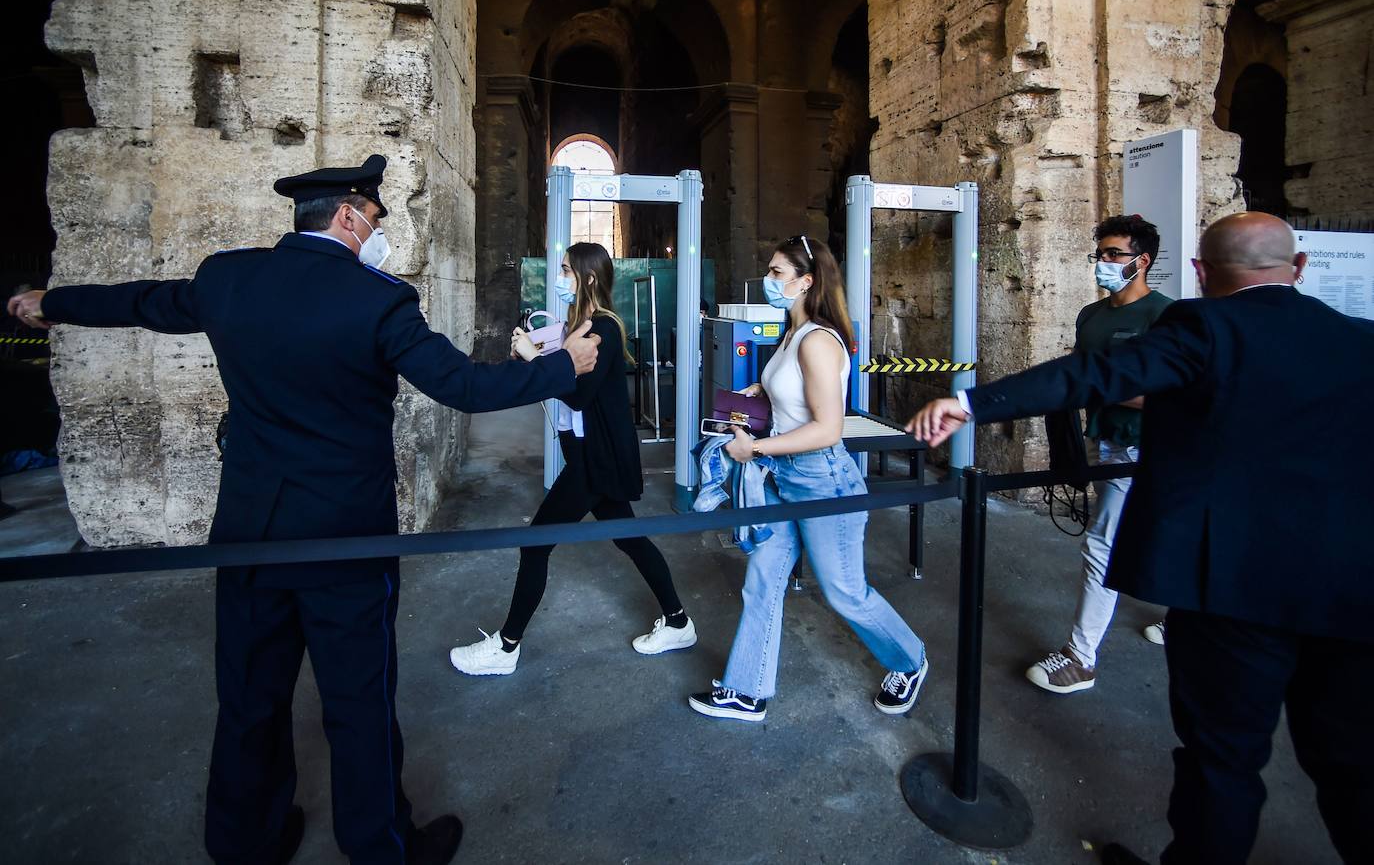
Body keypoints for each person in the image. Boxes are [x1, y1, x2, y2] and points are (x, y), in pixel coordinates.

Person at [8, 155, 602, 865]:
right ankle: (380, 849)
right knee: (358, 704)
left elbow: (140, 302)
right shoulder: (378, 300)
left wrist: (53, 302)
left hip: (250, 534)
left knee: (250, 698)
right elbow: (465, 387)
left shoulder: (228, 277)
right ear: (349, 215)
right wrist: (563, 364)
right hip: (344, 541)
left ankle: (244, 842)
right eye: (377, 219)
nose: (382, 233)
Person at [907, 212, 1374, 864]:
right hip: (1351, 591)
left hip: (1230, 586)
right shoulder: (1362, 339)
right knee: (1352, 763)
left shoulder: (1203, 325)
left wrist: (972, 404)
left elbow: (1089, 376)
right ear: (1297, 270)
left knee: (1224, 762)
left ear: (1201, 274)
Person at [688, 235, 929, 723]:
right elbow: (792, 394)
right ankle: (745, 690)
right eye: (770, 270)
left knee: (844, 592)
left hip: (824, 481)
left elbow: (826, 429)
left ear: (807, 281)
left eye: (778, 273)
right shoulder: (793, 332)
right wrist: (761, 391)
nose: (768, 281)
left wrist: (752, 447)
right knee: (763, 577)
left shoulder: (818, 339)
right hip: (785, 475)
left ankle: (911, 660)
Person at [449, 242, 695, 675]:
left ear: (589, 277)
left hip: (594, 460)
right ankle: (678, 621)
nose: (559, 277)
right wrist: (533, 359)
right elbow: (561, 382)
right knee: (628, 537)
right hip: (584, 454)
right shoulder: (577, 325)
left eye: (565, 270)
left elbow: (580, 395)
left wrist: (534, 359)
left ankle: (506, 648)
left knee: (536, 543)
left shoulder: (604, 328)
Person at [1026, 215, 1172, 695]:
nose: (1103, 263)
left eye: (1114, 254)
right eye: (1101, 254)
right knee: (1156, 533)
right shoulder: (1091, 315)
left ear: (1142, 260)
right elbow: (1080, 369)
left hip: (1145, 444)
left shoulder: (1165, 316)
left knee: (1102, 546)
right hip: (1103, 439)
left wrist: (1097, 384)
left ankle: (1080, 658)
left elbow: (1172, 392)